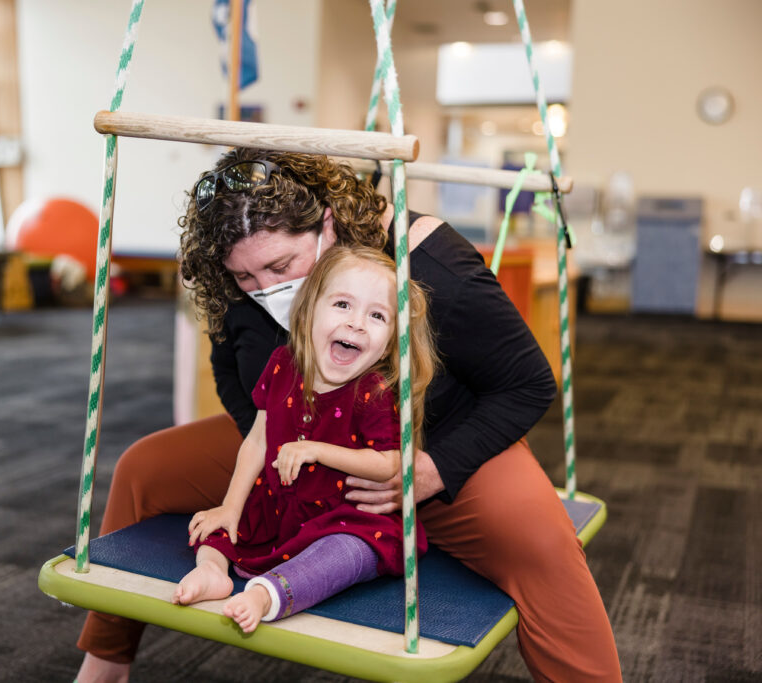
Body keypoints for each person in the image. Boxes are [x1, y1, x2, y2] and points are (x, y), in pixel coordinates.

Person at [76, 148, 622, 683]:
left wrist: (429, 472)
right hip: (296, 442)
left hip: (431, 452)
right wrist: (275, 465)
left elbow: (527, 383)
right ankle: (105, 663)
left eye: (281, 266)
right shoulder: (236, 285)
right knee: (142, 468)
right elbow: (233, 379)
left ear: (328, 227)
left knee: (544, 548)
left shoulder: (427, 262)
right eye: (245, 277)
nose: (267, 290)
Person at [171, 246, 437, 633]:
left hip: (346, 517)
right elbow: (258, 441)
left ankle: (269, 594)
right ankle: (213, 572)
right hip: (281, 506)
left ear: (391, 339)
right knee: (216, 528)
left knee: (347, 552)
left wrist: (317, 450)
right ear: (310, 308)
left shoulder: (374, 390)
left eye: (377, 315)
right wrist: (230, 506)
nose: (357, 324)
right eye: (343, 304)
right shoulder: (282, 363)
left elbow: (390, 463)